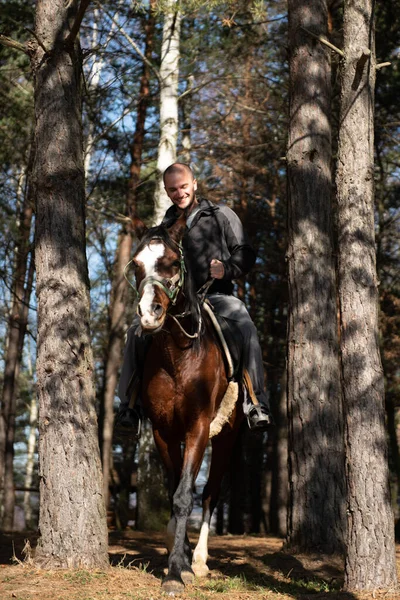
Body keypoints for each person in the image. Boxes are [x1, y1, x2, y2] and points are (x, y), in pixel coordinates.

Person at [116, 163, 272, 438]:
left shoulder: (221, 214)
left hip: (215, 296)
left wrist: (227, 268)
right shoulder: (162, 228)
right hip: (175, 304)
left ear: (195, 184)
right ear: (166, 191)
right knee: (135, 330)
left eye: (183, 186)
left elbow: (246, 253)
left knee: (245, 324)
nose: (179, 193)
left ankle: (255, 402)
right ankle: (129, 406)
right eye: (173, 189)